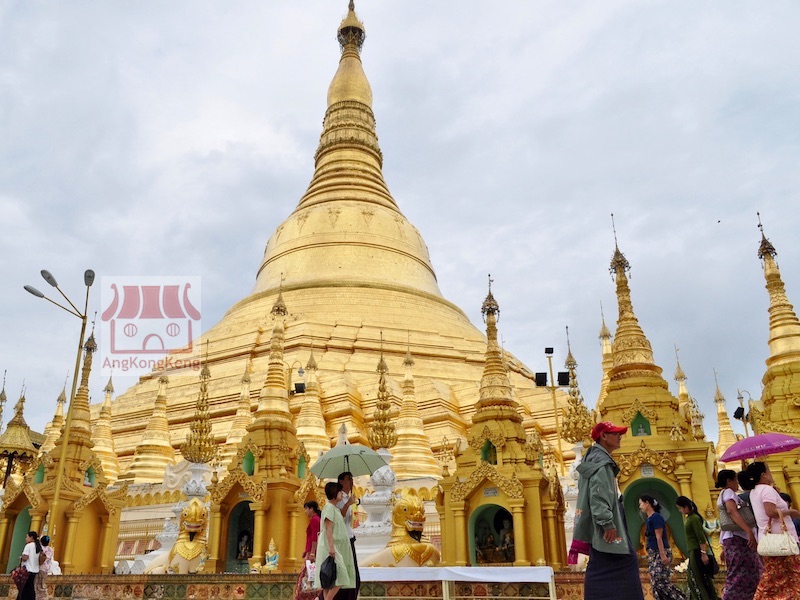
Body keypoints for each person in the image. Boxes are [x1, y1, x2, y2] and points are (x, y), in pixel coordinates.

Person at [574, 421, 644, 600]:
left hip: (598, 530)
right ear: (603, 436)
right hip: (608, 527)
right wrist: (607, 523)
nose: (620, 436)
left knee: (599, 566)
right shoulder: (602, 464)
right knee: (627, 563)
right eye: (615, 433)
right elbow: (598, 494)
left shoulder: (592, 459)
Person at [741, 462, 800, 600]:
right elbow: (771, 512)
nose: (771, 473)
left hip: (768, 539)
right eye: (768, 470)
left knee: (776, 576)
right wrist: (790, 511)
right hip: (780, 538)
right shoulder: (766, 490)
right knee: (790, 574)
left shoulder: (755, 491)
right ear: (763, 474)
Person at [715, 469, 761, 600]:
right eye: (735, 480)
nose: (737, 483)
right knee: (741, 573)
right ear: (729, 481)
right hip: (738, 538)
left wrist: (723, 546)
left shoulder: (722, 494)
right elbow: (731, 511)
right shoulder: (729, 492)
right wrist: (748, 530)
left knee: (743, 572)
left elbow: (725, 523)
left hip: (731, 539)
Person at [314, 482, 356, 600]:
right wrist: (331, 548)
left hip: (333, 546)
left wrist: (348, 504)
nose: (341, 494)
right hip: (330, 546)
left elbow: (341, 516)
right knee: (341, 575)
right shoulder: (329, 508)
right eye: (339, 492)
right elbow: (328, 528)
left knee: (329, 579)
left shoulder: (334, 509)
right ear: (334, 493)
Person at [639, 495, 685, 600]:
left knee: (661, 581)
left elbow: (658, 537)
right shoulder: (649, 519)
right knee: (655, 582)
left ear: (647, 503)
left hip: (659, 551)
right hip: (652, 552)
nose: (640, 506)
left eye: (641, 503)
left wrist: (663, 554)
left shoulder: (656, 518)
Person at [676, 496, 719, 600]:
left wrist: (703, 553)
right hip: (693, 551)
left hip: (697, 551)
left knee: (698, 578)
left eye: (680, 508)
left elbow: (700, 537)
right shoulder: (690, 518)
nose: (680, 511)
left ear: (686, 507)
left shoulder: (694, 518)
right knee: (694, 578)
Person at [335, 472, 360, 600]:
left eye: (351, 479)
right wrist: (348, 503)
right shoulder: (339, 498)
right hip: (343, 540)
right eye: (348, 479)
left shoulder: (349, 498)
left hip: (350, 537)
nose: (351, 482)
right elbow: (339, 516)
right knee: (346, 574)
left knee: (354, 576)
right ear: (341, 481)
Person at [295, 501, 322, 600]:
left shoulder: (315, 520)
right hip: (311, 550)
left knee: (307, 576)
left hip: (313, 552)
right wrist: (306, 550)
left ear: (311, 509)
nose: (305, 511)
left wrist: (312, 552)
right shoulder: (316, 519)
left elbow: (315, 537)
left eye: (306, 509)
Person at [19, 531, 41, 600]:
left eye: (27, 537)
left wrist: (20, 558)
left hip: (28, 569)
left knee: (25, 587)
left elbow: (25, 557)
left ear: (31, 537)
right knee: (30, 587)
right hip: (35, 570)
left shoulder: (28, 546)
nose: (26, 538)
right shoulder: (38, 546)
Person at [35, 534, 54, 600]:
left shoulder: (40, 549)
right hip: (45, 569)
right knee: (42, 585)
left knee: (37, 585)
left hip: (39, 568)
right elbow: (50, 560)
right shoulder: (50, 549)